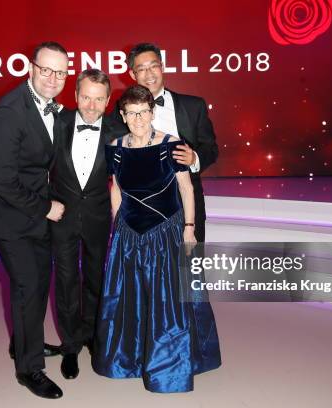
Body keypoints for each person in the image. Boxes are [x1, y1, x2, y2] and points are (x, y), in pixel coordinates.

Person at [92, 85, 221, 393]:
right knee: (129, 298)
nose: (138, 119)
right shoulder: (116, 146)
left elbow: (187, 189)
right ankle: (130, 359)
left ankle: (170, 366)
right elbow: (116, 190)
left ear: (152, 112)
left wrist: (188, 228)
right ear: (123, 115)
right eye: (132, 113)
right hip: (130, 233)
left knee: (168, 301)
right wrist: (117, 225)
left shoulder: (171, 144)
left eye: (144, 112)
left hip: (166, 232)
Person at [0, 41, 68, 399]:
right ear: (31, 68)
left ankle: (23, 343)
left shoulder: (49, 106)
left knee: (37, 283)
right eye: (46, 69)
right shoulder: (9, 112)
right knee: (28, 286)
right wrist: (45, 208)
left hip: (33, 211)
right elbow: (1, 180)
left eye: (59, 72)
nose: (52, 78)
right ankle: (29, 369)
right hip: (9, 216)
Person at [110, 42, 219, 242]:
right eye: (141, 69)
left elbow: (211, 148)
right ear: (133, 75)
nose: (149, 73)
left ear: (162, 67)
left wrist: (194, 157)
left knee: (190, 264)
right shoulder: (120, 113)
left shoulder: (193, 106)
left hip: (185, 201)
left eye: (153, 66)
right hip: (141, 206)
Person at [49, 69, 119, 379]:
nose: (91, 105)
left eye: (99, 99)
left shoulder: (118, 129)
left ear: (108, 100)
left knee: (95, 279)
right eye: (86, 97)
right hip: (61, 215)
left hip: (99, 216)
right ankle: (70, 344)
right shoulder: (56, 123)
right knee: (66, 282)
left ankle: (92, 335)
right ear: (76, 96)